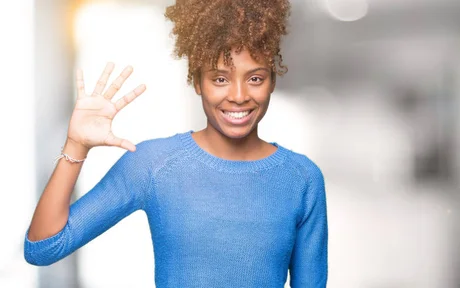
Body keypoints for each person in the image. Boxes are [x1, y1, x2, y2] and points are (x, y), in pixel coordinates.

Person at [23, 0, 328, 287]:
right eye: (220, 79)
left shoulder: (302, 178)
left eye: (255, 79)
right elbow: (43, 248)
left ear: (273, 80)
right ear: (196, 82)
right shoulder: (154, 164)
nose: (238, 95)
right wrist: (76, 145)